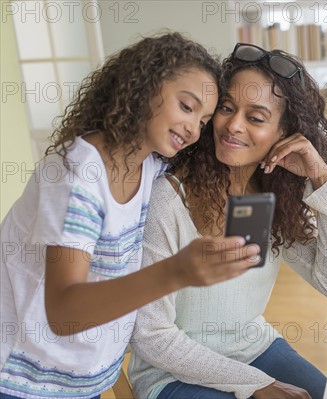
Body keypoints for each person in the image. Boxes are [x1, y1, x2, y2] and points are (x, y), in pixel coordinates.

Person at [0, 34, 262, 399]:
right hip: (22, 379)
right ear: (143, 85)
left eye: (203, 122)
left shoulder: (149, 165)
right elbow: (63, 313)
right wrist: (176, 271)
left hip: (83, 380)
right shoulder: (75, 176)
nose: (193, 129)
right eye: (187, 107)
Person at [127, 43, 327, 399]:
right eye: (227, 108)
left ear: (284, 134)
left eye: (255, 117)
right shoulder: (168, 199)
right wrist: (256, 385)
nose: (233, 126)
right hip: (172, 374)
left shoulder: (276, 198)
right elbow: (152, 336)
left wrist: (321, 178)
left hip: (254, 348)